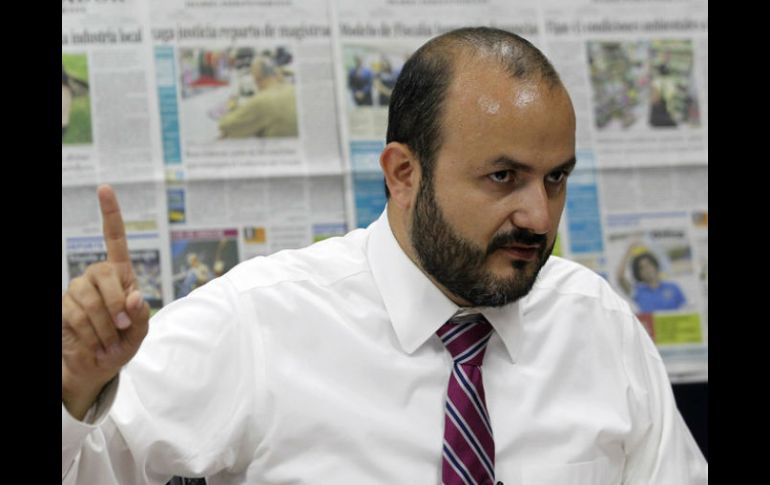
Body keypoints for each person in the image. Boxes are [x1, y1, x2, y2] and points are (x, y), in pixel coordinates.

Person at [62, 27, 707, 484]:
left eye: (556, 178)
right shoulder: (262, 320)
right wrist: (75, 386)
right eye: (503, 177)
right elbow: (89, 464)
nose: (539, 218)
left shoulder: (596, 323)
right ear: (404, 174)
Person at [218, 55, 298, 138]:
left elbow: (225, 126)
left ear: (256, 77)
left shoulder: (261, 101)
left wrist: (232, 106)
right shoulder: (293, 89)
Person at [617, 243, 687, 313]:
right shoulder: (638, 292)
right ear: (639, 274)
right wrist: (628, 251)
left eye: (649, 264)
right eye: (642, 268)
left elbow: (686, 310)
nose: (647, 269)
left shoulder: (673, 287)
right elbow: (620, 277)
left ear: (655, 266)